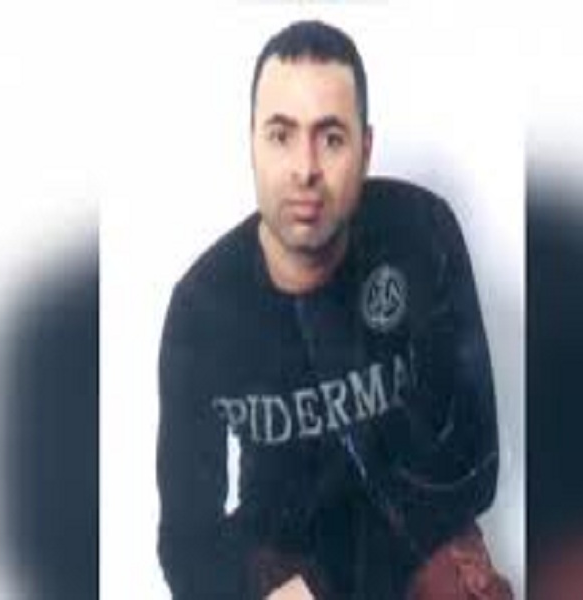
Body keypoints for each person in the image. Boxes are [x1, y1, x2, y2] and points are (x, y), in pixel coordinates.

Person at [157, 20, 511, 600]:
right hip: (284, 556)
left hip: (414, 533)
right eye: (281, 135)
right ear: (251, 144)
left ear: (365, 150)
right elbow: (185, 540)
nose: (305, 169)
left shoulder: (421, 233)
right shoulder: (203, 308)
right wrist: (261, 590)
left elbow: (475, 462)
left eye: (331, 138)